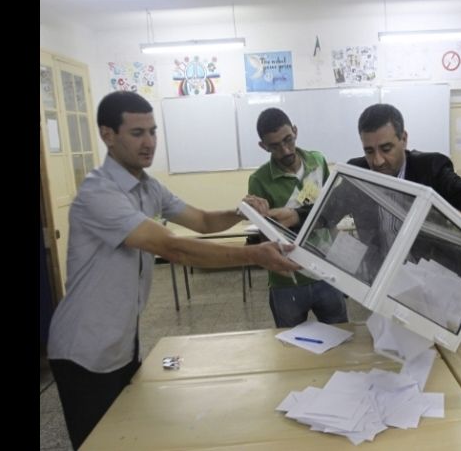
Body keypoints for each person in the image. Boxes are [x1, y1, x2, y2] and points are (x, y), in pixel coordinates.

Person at [47, 91, 300, 450]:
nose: (149, 142)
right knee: (99, 442)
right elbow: (172, 247)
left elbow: (202, 220)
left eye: (153, 131)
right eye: (137, 133)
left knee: (127, 437)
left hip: (121, 343)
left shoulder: (148, 187)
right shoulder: (98, 194)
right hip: (83, 350)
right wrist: (255, 255)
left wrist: (241, 211)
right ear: (108, 135)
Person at [275, 103, 461, 248]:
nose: (378, 161)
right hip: (381, 280)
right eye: (369, 151)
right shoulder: (358, 172)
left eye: (386, 148)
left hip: (433, 275)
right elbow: (330, 208)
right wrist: (294, 215)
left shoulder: (430, 167)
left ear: (404, 139)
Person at [248, 107, 348, 328]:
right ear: (263, 146)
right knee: (290, 341)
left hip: (326, 272)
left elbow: (330, 209)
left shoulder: (317, 161)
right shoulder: (259, 180)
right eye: (275, 146)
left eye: (288, 140)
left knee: (340, 334)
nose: (285, 150)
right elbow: (264, 236)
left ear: (295, 131)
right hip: (287, 281)